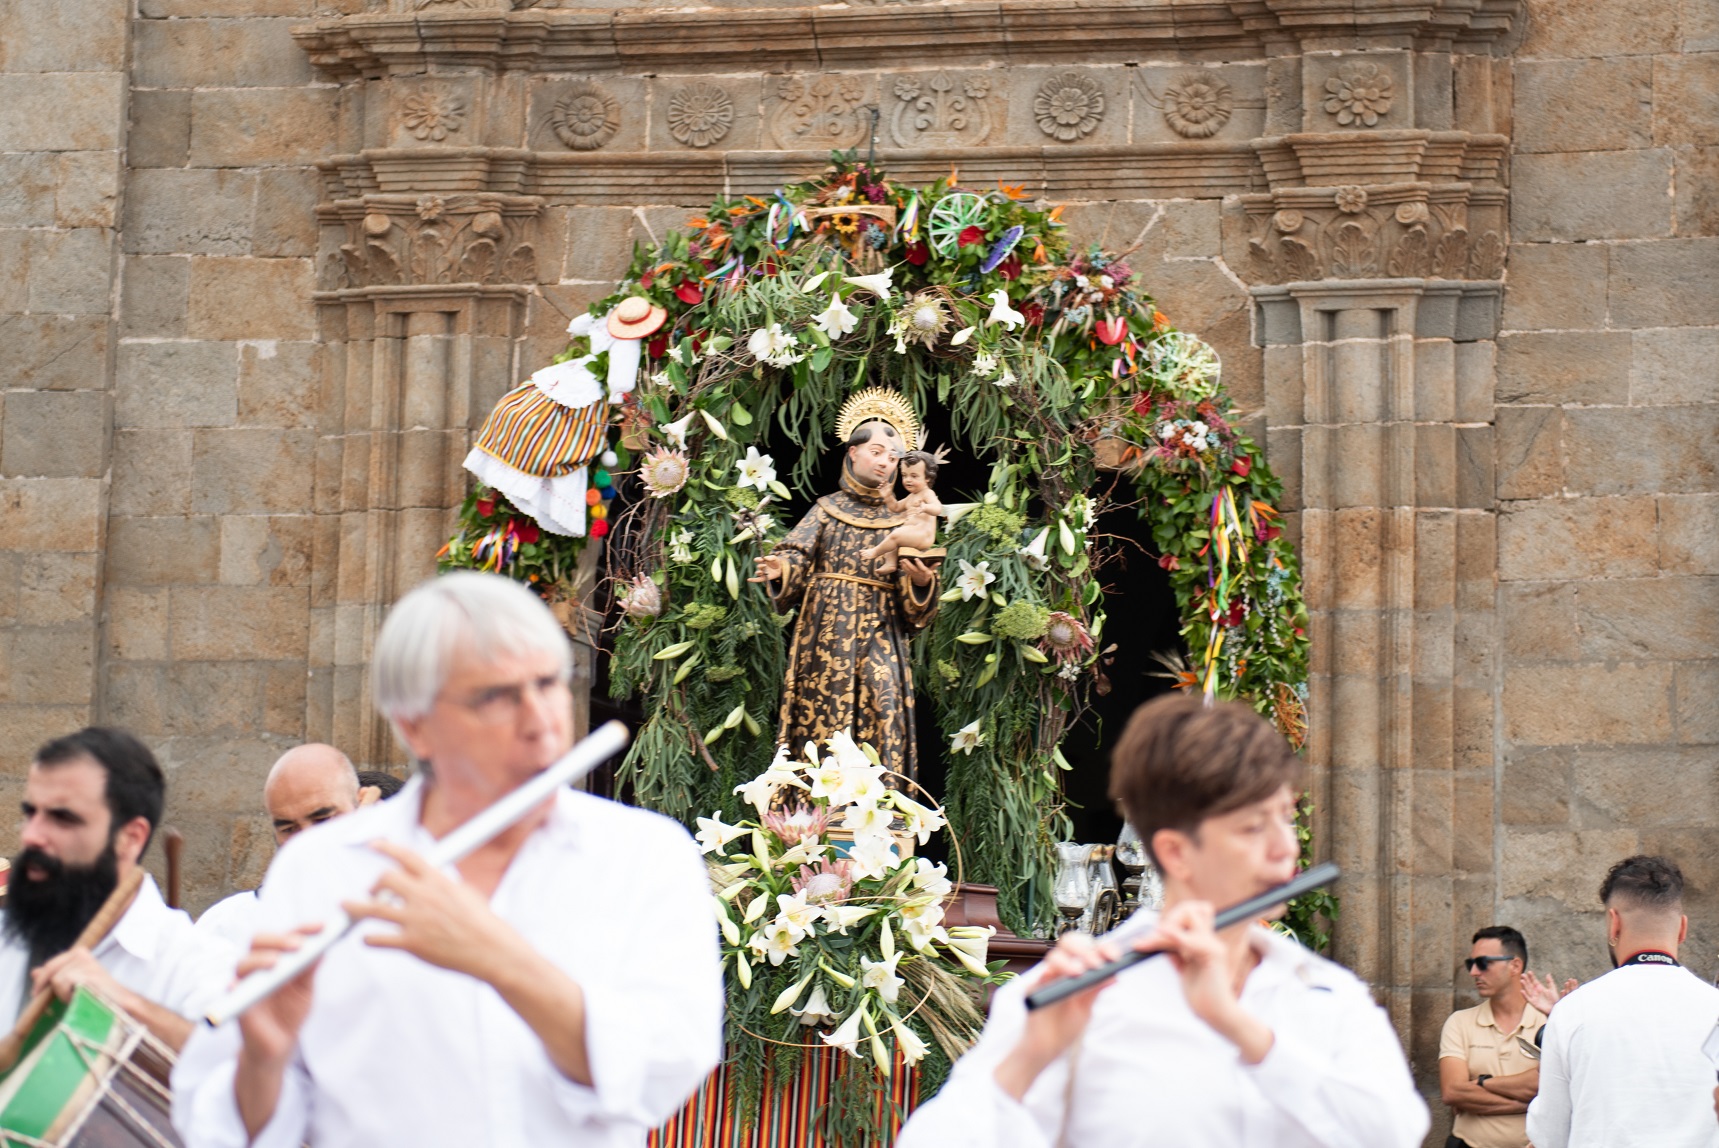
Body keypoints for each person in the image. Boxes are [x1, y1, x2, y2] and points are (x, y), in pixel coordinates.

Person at [172, 571, 723, 1147]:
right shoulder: (320, 869)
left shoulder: (644, 855)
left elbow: (664, 1067)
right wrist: (263, 1057)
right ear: (416, 725)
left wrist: (498, 959)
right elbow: (230, 1127)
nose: (541, 720)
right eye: (497, 697)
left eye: (548, 683)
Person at [895, 694, 1429, 1148]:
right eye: (1251, 828)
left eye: (1286, 819)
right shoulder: (1083, 996)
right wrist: (1029, 1058)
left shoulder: (1323, 993)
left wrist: (1238, 1026)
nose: (1284, 848)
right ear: (1176, 852)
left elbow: (1397, 1132)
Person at [1, 727, 237, 1050]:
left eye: (62, 818)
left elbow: (243, 1077)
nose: (31, 835)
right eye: (31, 813)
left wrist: (126, 1005)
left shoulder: (199, 967)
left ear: (130, 838)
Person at [751, 394, 940, 779]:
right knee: (824, 720)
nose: (886, 462)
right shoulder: (826, 508)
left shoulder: (903, 519)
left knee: (884, 706)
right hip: (826, 635)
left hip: (881, 630)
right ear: (852, 453)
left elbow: (915, 599)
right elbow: (797, 554)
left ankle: (886, 816)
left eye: (894, 457)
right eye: (877, 451)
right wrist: (780, 568)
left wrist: (921, 582)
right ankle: (817, 819)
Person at [1526, 855, 1719, 1148]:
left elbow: (1549, 1134)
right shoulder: (1714, 1007)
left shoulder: (1572, 1011)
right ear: (1682, 929)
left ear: (1614, 924)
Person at [195, 745, 377, 949]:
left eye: (323, 819)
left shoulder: (400, 917)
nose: (306, 840)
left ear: (361, 805)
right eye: (289, 829)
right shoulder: (223, 928)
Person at [1438, 926, 1544, 1148]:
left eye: (1484, 963)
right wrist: (1529, 1103)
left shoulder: (1548, 1022)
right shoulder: (1460, 1022)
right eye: (1471, 964)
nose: (1474, 972)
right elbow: (1453, 1092)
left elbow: (1542, 1084)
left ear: (1515, 965)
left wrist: (1481, 1083)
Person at [860, 446, 947, 574]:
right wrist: (888, 496)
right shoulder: (911, 496)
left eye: (914, 476)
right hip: (912, 533)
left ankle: (876, 552)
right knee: (894, 537)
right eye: (904, 475)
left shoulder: (927, 494)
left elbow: (938, 508)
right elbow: (895, 508)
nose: (908, 480)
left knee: (896, 535)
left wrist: (925, 507)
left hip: (923, 535)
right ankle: (890, 563)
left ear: (927, 478)